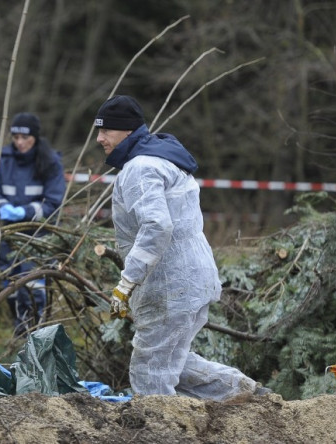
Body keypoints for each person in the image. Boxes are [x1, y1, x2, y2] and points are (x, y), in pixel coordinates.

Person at [94, 95, 269, 401]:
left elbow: (156, 226)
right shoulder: (161, 159)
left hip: (170, 285)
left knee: (149, 372)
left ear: (126, 131)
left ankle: (162, 429)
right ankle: (247, 394)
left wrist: (127, 281)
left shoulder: (140, 168)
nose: (99, 138)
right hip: (188, 280)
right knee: (172, 360)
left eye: (106, 130)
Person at [0, 112, 66, 337]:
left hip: (38, 235)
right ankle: (19, 331)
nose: (19, 143)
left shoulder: (50, 162)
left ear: (35, 138)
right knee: (9, 283)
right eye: (15, 137)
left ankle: (35, 333)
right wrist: (1, 207)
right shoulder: (3, 159)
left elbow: (54, 202)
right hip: (8, 234)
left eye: (25, 138)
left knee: (33, 284)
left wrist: (26, 212)